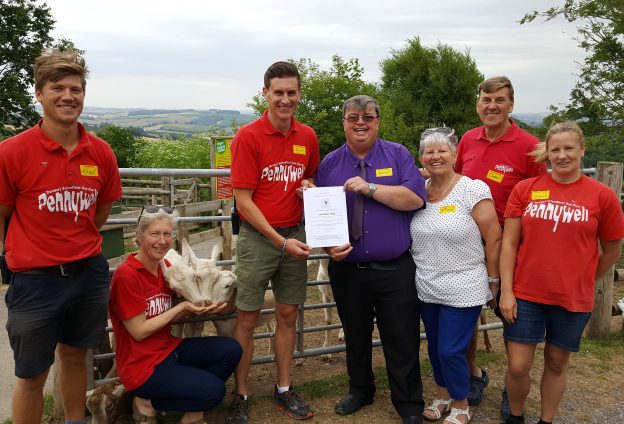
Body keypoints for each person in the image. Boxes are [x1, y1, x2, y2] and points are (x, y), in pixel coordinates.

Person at [0, 49, 123, 424]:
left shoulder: (100, 152)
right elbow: (2, 214)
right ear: (39, 93)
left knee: (74, 356)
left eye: (76, 89)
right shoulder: (12, 152)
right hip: (36, 280)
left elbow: (100, 211)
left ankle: (74, 421)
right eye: (58, 88)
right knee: (31, 374)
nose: (68, 97)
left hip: (87, 274)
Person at [499, 122, 624, 424]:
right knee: (518, 365)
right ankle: (515, 417)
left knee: (556, 363)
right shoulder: (526, 189)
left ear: (582, 150)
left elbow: (611, 250)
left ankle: (546, 420)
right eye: (555, 149)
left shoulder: (602, 196)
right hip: (526, 293)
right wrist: (506, 291)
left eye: (569, 148)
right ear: (547, 153)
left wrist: (583, 278)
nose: (562, 155)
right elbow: (510, 243)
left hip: (571, 297)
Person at [315, 95, 426, 424]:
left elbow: (414, 198)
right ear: (344, 123)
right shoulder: (330, 164)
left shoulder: (398, 155)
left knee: (402, 337)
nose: (360, 122)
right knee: (355, 334)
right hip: (348, 268)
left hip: (395, 268)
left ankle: (408, 404)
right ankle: (360, 390)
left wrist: (371, 188)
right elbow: (322, 214)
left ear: (378, 121)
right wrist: (328, 249)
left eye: (367, 116)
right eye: (352, 117)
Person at [225, 61, 320, 424]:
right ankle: (241, 393)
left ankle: (283, 388)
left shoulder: (307, 137)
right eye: (278, 92)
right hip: (260, 239)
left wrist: (307, 186)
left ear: (298, 94)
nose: (285, 99)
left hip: (295, 234)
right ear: (265, 93)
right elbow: (243, 200)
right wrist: (280, 241)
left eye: (291, 92)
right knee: (247, 317)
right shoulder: (248, 137)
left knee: (287, 314)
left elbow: (308, 175)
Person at [454, 76, 546, 413]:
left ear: (511, 104)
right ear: (478, 103)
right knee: (465, 314)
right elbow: (454, 181)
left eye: (500, 100)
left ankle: (514, 387)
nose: (492, 106)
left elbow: (539, 200)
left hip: (510, 247)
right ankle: (472, 375)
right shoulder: (467, 140)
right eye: (486, 99)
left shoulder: (529, 145)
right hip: (466, 245)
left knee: (511, 315)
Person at [109, 205, 242, 424]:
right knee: (215, 392)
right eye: (154, 234)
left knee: (231, 349)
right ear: (139, 237)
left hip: (169, 349)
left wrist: (201, 307)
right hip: (141, 368)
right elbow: (139, 331)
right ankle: (146, 401)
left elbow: (169, 313)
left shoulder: (166, 270)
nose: (162, 240)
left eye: (167, 234)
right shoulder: (127, 275)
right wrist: (181, 308)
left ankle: (188, 400)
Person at [410, 128, 502, 424]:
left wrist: (494, 281)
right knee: (436, 347)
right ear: (421, 157)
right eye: (428, 151)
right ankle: (442, 395)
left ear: (454, 155)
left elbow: (494, 237)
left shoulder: (472, 189)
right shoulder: (417, 191)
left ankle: (461, 403)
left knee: (451, 349)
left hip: (465, 284)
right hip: (426, 283)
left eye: (442, 151)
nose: (435, 156)